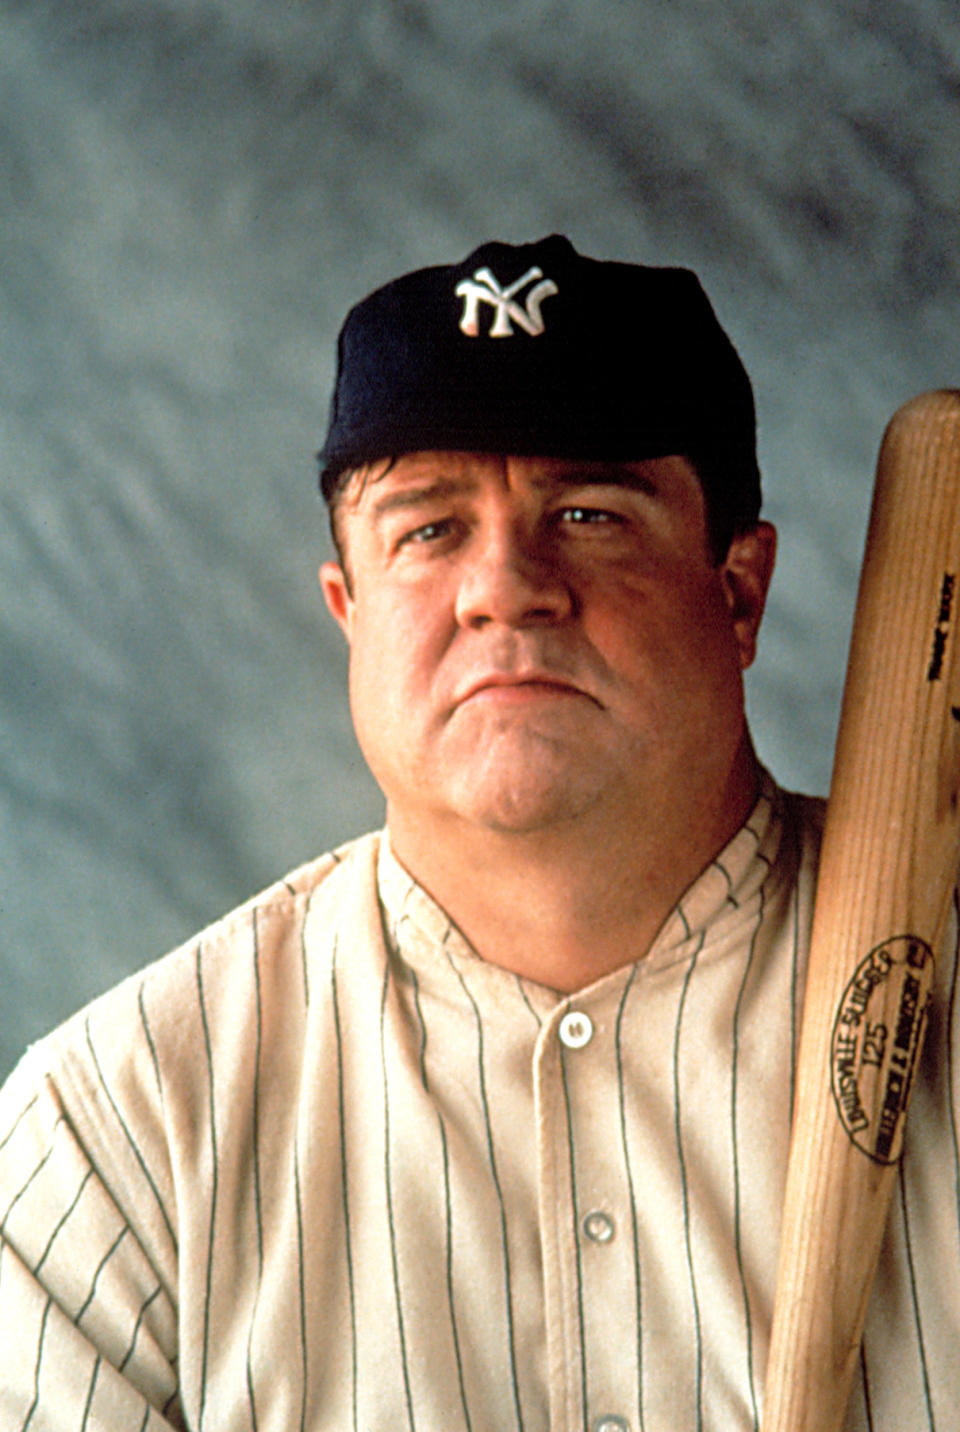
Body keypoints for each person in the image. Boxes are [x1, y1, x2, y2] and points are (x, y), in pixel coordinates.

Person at [0, 235, 957, 1431]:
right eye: (427, 529)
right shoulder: (117, 1135)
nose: (506, 585)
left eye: (590, 510)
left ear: (739, 591)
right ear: (349, 611)